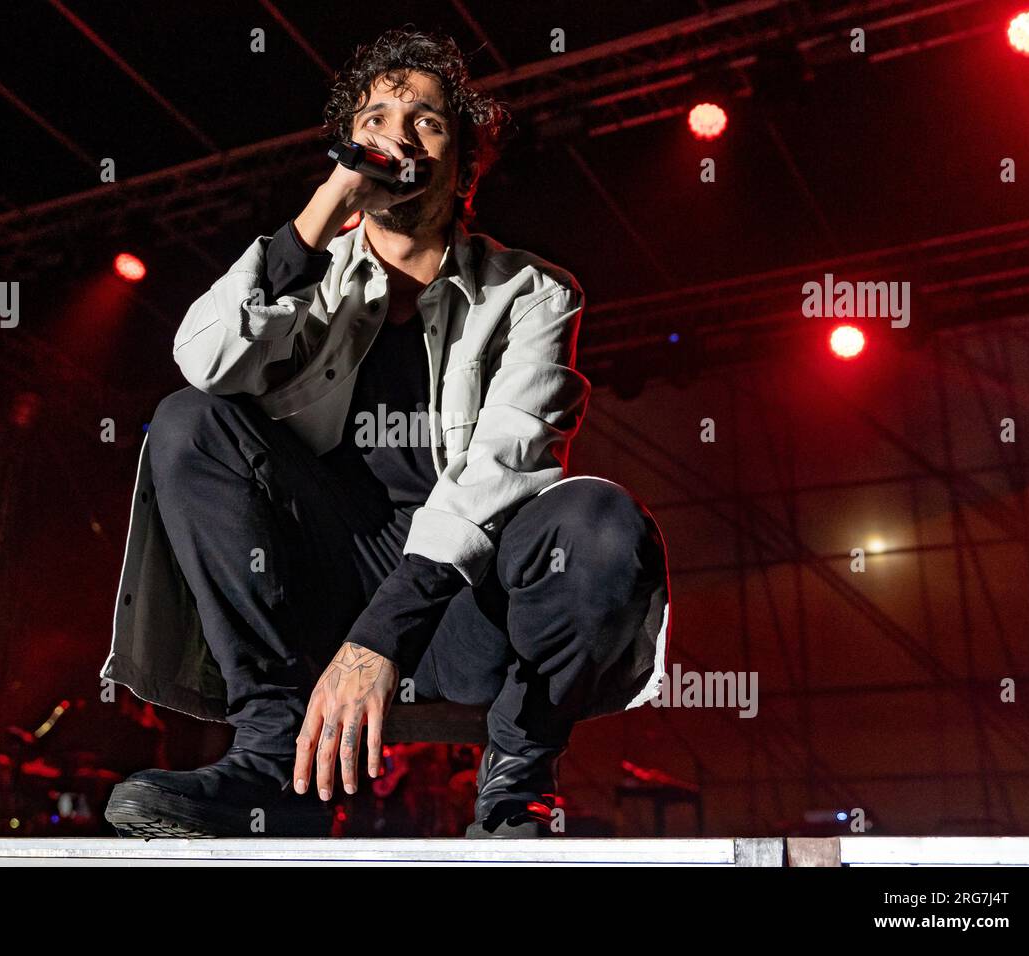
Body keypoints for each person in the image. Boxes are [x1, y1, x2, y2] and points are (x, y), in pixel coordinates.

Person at [101, 27, 670, 838]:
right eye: (373, 118)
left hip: (461, 607)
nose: (396, 135)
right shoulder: (309, 267)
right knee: (191, 422)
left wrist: (380, 639)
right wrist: (322, 213)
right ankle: (272, 765)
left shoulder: (533, 294)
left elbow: (504, 466)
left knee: (601, 524)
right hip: (322, 589)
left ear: (465, 163)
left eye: (426, 119)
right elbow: (203, 357)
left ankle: (517, 780)